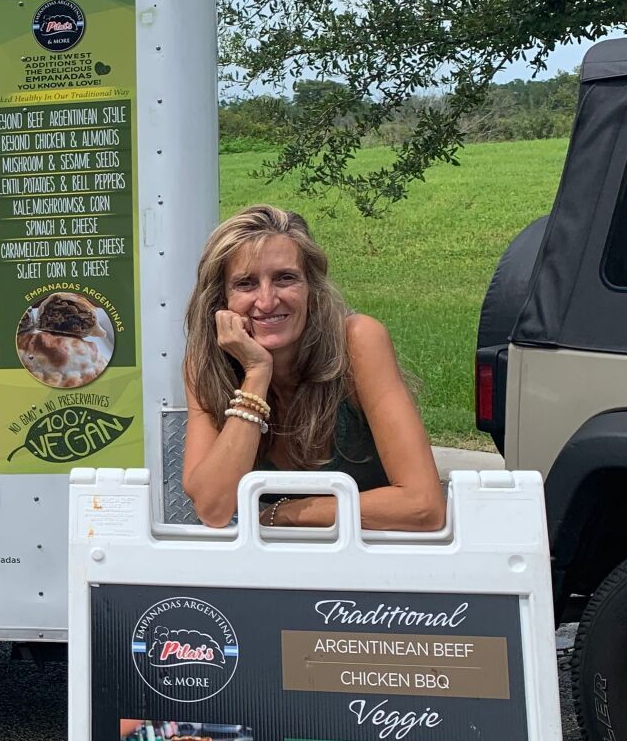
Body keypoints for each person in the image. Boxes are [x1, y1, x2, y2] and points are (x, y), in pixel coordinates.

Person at [182, 205, 444, 531]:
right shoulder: (205, 365)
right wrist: (257, 374)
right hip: (273, 569)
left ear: (312, 289)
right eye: (246, 284)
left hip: (377, 564)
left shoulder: (357, 342)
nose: (266, 301)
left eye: (285, 278)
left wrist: (285, 513)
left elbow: (423, 507)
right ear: (220, 300)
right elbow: (213, 508)